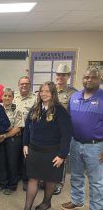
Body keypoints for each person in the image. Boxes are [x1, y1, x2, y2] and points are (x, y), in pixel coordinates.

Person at [23, 81, 72, 210]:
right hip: (34, 150)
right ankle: (27, 207)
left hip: (52, 152)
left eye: (47, 91)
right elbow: (27, 128)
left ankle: (46, 202)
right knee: (33, 179)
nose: (44, 94)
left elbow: (66, 134)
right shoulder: (35, 108)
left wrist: (62, 155)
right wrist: (25, 144)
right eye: (41, 91)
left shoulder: (59, 110)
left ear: (53, 93)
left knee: (50, 180)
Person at [61, 67, 103, 210]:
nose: (89, 80)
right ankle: (77, 200)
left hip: (96, 146)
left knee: (96, 181)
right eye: (86, 77)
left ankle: (96, 207)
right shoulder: (74, 97)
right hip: (75, 143)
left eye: (93, 77)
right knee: (76, 175)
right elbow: (68, 121)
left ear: (100, 79)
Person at [53, 64, 77, 195]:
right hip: (49, 130)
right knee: (49, 156)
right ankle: (48, 179)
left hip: (63, 131)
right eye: (58, 74)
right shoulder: (50, 89)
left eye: (63, 75)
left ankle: (58, 183)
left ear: (68, 76)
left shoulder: (74, 93)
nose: (60, 77)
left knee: (62, 156)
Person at [0, 88, 25, 195]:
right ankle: (2, 183)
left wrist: (5, 135)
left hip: (12, 138)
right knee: (1, 161)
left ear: (13, 98)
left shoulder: (17, 109)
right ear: (1, 97)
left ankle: (12, 185)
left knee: (12, 162)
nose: (7, 98)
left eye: (9, 96)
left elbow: (18, 128)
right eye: (5, 95)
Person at [13, 76, 37, 191]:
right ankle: (17, 175)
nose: (24, 85)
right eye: (22, 84)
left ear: (30, 85)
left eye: (26, 83)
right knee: (16, 155)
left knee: (27, 157)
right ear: (18, 85)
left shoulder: (35, 98)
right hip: (15, 130)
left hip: (28, 131)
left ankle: (26, 179)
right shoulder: (13, 96)